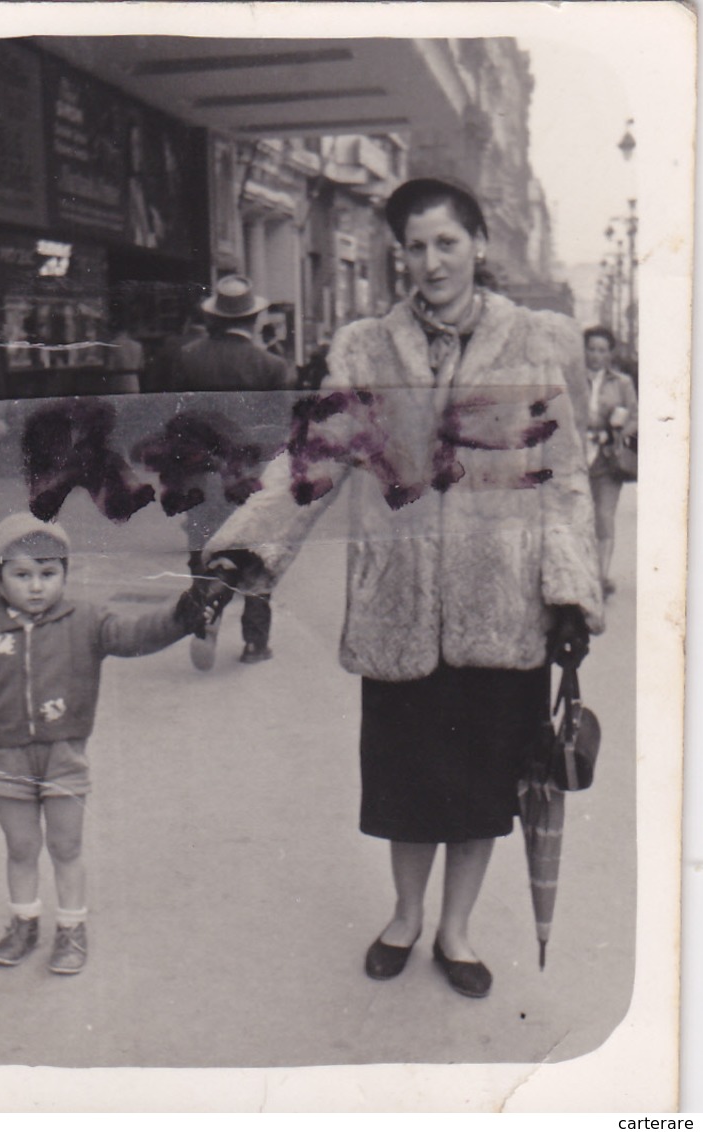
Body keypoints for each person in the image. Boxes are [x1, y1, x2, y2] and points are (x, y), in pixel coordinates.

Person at [201, 177, 603, 997]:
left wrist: (568, 593)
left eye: (445, 243)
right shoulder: (364, 351)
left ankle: (455, 932)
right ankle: (405, 916)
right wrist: (242, 556)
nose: (430, 262)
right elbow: (311, 461)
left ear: (477, 244)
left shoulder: (533, 342)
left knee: (486, 784)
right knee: (407, 780)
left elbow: (560, 478)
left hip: (504, 603)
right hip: (399, 604)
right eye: (415, 247)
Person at [0, 512, 207, 974]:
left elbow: (135, 635)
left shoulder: (87, 619)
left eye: (49, 573)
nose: (37, 586)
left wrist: (182, 615)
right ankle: (24, 922)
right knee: (21, 847)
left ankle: (71, 928)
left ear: (65, 572)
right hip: (9, 761)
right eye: (22, 575)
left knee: (66, 846)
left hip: (65, 758)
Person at [174, 274, 290, 667]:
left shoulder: (187, 358)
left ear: (214, 318)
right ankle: (255, 643)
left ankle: (204, 618)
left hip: (199, 472)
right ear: (253, 318)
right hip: (250, 475)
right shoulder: (272, 365)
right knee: (255, 550)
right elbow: (281, 429)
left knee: (203, 544)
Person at [584, 325, 638, 597]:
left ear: (610, 354)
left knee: (604, 517)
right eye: (591, 349)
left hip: (608, 460)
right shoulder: (570, 379)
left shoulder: (622, 383)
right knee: (579, 518)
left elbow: (636, 418)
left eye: (602, 350)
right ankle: (581, 574)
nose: (596, 355)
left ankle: (601, 577)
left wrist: (616, 430)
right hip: (576, 460)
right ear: (584, 351)